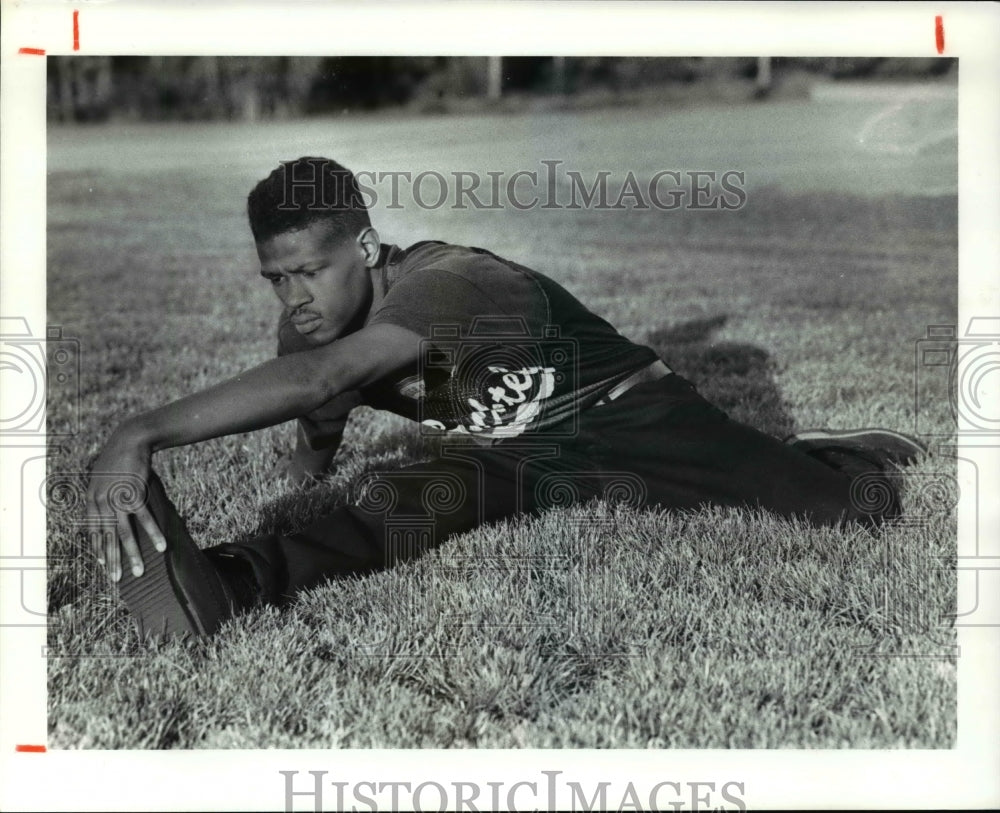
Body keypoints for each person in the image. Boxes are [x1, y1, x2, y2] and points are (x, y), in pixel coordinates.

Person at [85, 157, 926, 640]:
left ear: (368, 246)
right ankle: (231, 581)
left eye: (310, 271)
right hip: (521, 451)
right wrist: (302, 479)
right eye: (276, 278)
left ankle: (815, 449)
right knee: (396, 505)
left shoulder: (456, 281)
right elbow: (317, 422)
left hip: (629, 416)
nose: (293, 297)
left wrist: (141, 430)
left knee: (856, 509)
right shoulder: (311, 332)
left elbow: (325, 380)